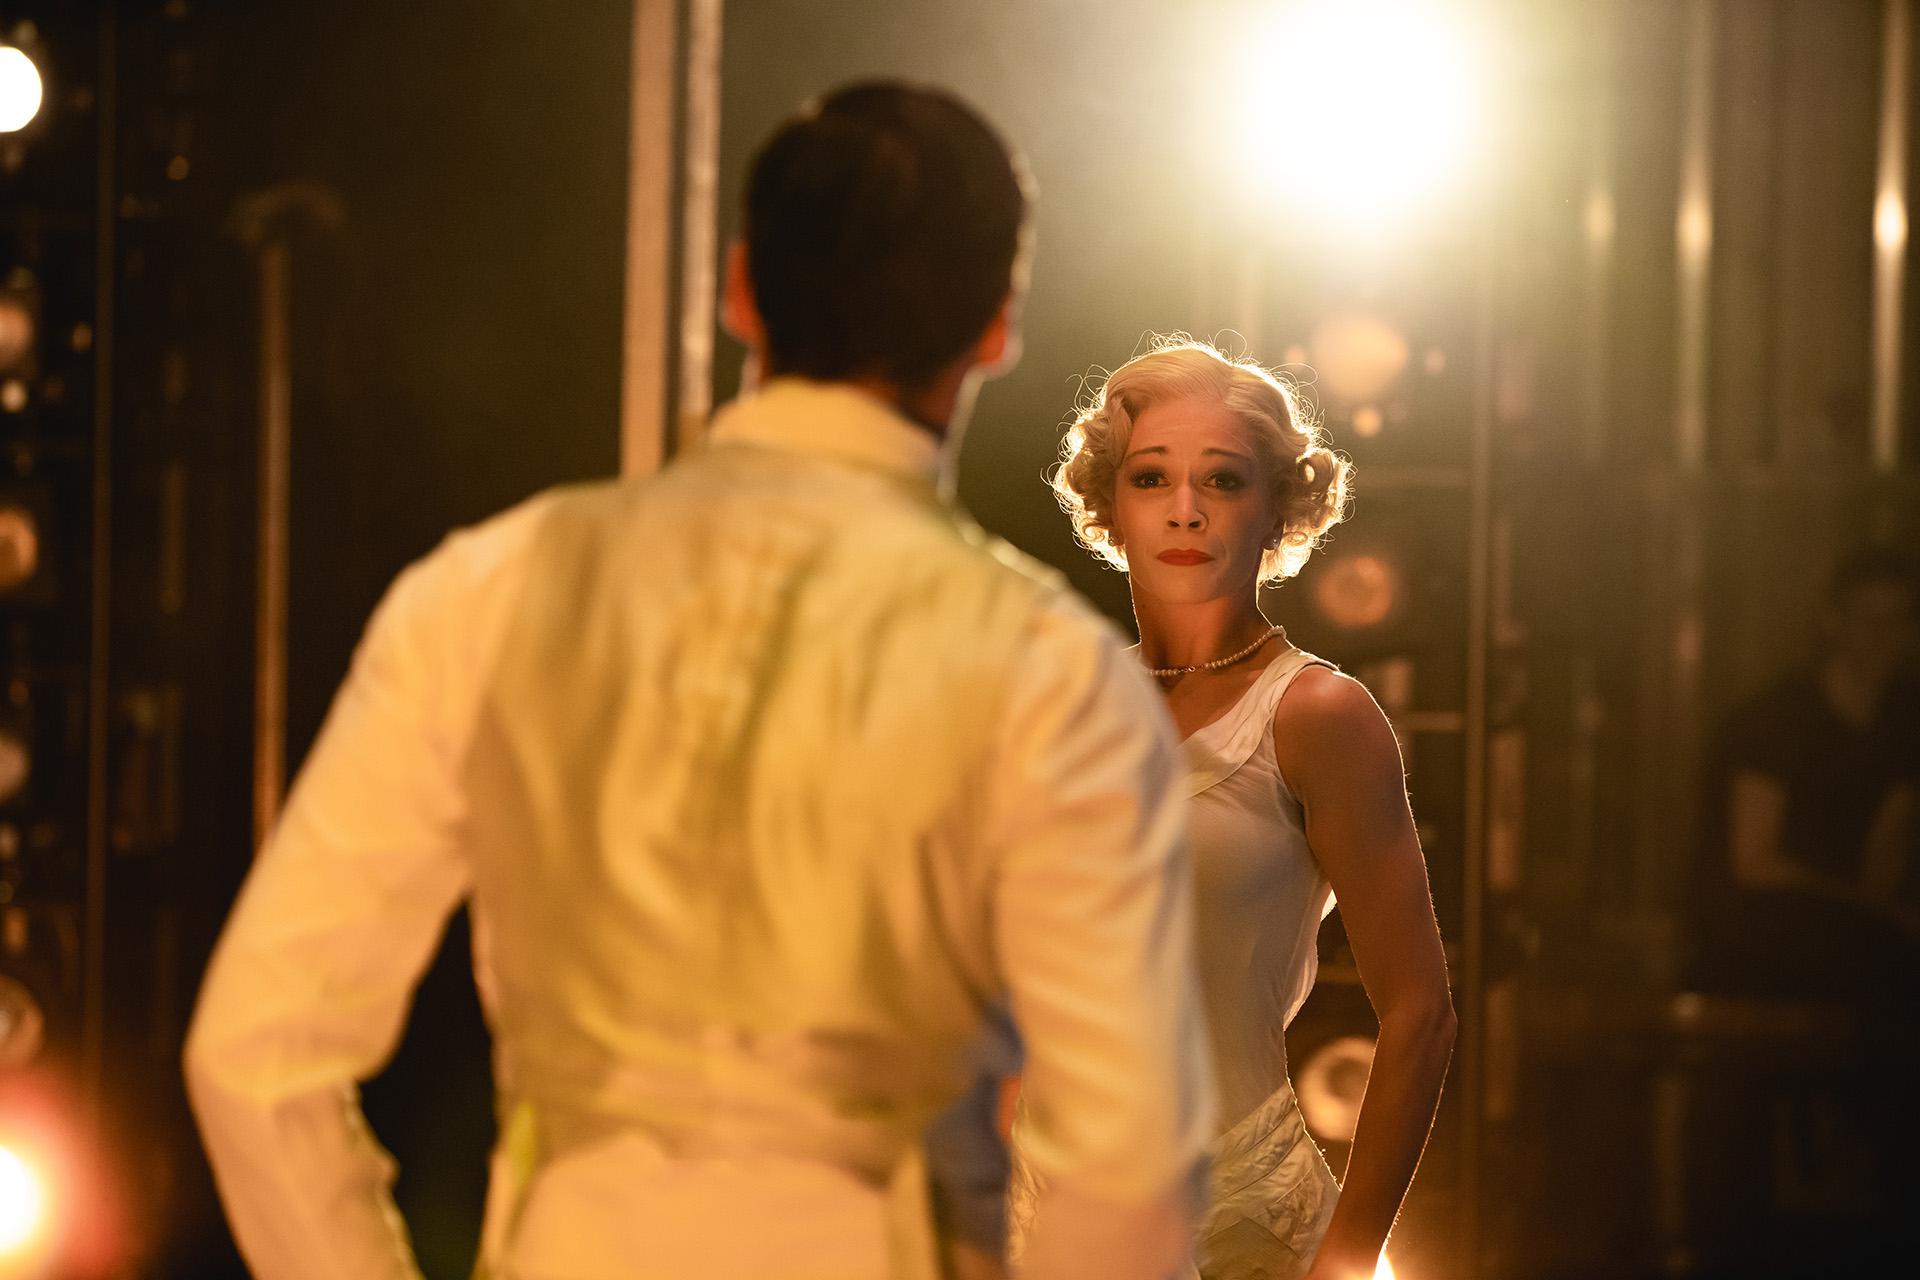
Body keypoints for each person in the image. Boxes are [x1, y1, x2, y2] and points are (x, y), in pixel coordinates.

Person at [184, 83, 1215, 1280]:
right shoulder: (1056, 669)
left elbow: (255, 1055)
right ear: (998, 325)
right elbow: (1128, 1170)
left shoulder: (491, 585)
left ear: (739, 291)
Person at [1009, 340, 1456, 1280]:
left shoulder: (1317, 718)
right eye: (1151, 477)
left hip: (1241, 1228)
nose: (1185, 507)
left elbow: (1421, 1012)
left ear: (1275, 511)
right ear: (1111, 508)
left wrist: (1345, 1264)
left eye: (1222, 479)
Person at [1696, 545, 1920, 998]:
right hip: (1765, 943)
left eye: (1897, 620)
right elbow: (1753, 865)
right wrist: (1870, 909)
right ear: (1832, 622)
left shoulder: (1903, 720)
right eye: (1867, 618)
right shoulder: (1772, 721)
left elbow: (1889, 847)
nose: (1883, 635)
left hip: (1860, 943)